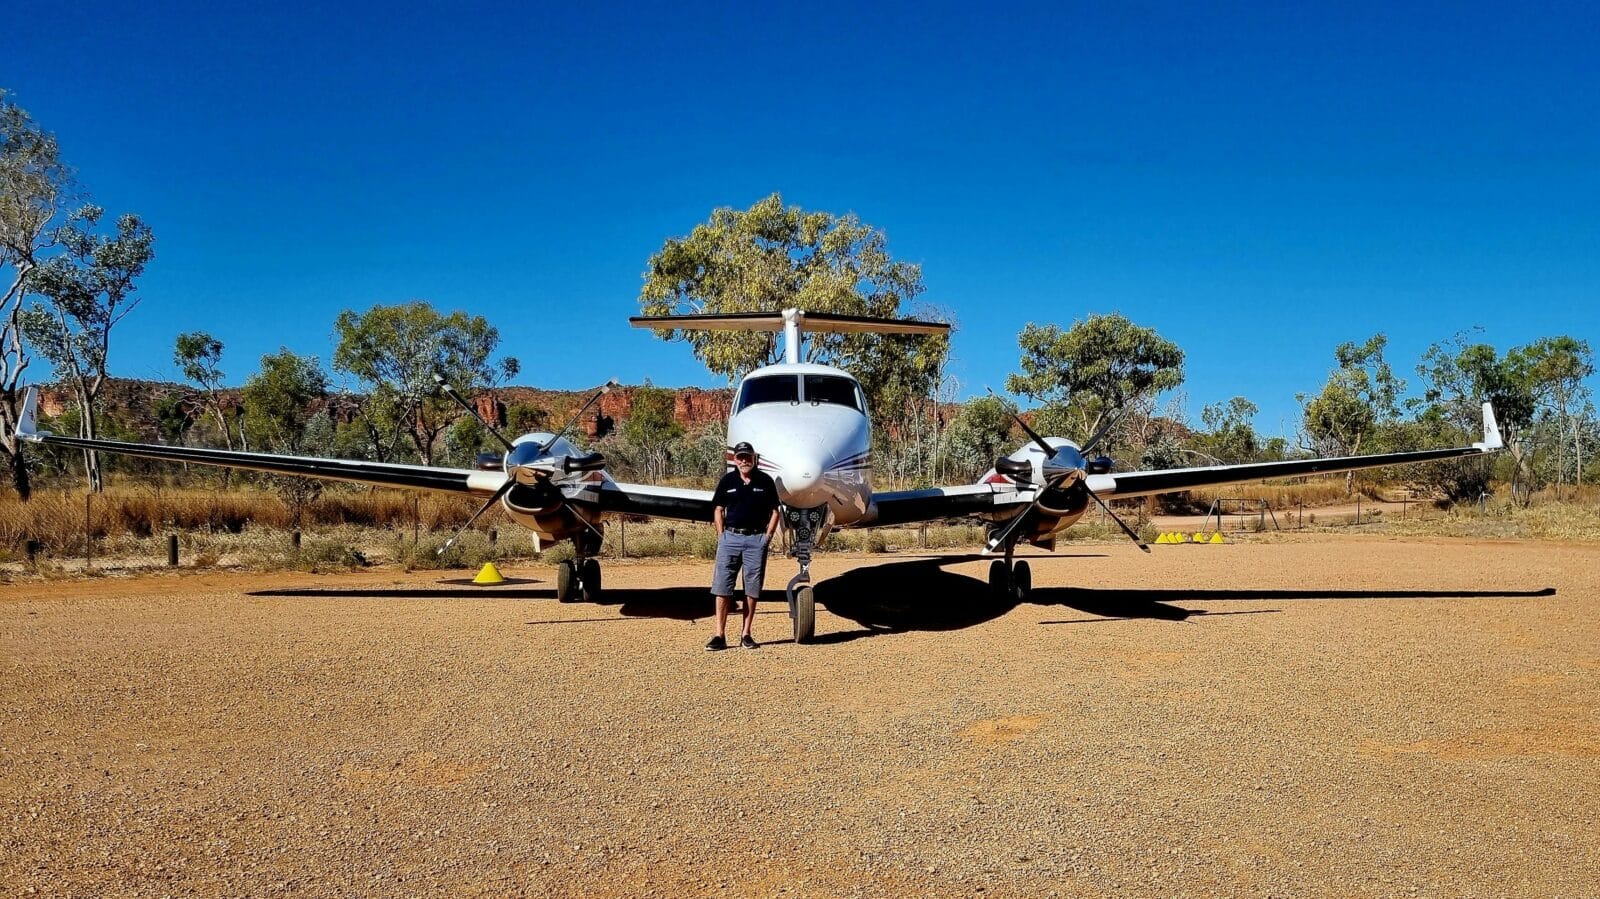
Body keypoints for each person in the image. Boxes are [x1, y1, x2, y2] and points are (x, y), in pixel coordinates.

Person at [707, 441, 781, 650]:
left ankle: (746, 633)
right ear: (734, 459)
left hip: (756, 540)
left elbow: (775, 511)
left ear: (754, 458)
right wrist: (721, 535)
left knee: (752, 589)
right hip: (730, 539)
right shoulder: (727, 481)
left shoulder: (765, 481)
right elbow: (718, 508)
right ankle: (719, 635)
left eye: (747, 457)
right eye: (740, 457)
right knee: (722, 587)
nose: (744, 461)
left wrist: (766, 538)